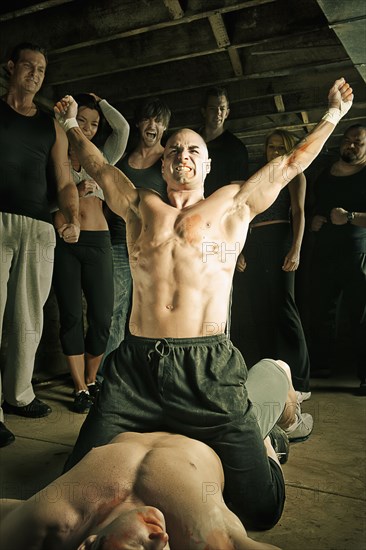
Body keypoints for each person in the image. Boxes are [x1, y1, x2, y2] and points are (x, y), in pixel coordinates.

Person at [54, 77, 353, 530]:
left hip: (209, 368)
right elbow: (98, 167)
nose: (183, 155)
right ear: (163, 162)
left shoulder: (232, 205)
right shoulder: (140, 206)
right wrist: (73, 124)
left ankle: (268, 410)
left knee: (259, 509)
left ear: (208, 163)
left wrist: (332, 114)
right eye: (174, 149)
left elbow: (291, 163)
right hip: (134, 368)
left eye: (193, 150)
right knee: (73, 487)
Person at [0, 432, 283, 550]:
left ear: (89, 545)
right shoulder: (204, 534)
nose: (161, 540)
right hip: (206, 432)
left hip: (123, 420)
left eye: (140, 548)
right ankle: (272, 439)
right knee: (265, 506)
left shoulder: (52, 520)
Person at [0, 42, 80, 448]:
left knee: (29, 317)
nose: (35, 74)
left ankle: (19, 395)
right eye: (28, 66)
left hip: (38, 227)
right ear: (10, 68)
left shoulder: (50, 124)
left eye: (42, 69)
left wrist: (72, 216)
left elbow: (65, 180)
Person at [52, 92, 129, 413]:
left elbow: (123, 129)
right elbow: (46, 200)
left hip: (99, 242)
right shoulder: (55, 154)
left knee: (101, 316)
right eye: (81, 120)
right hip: (66, 243)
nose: (87, 128)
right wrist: (72, 195)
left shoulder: (101, 158)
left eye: (94, 124)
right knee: (71, 316)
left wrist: (103, 102)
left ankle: (93, 378)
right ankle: (80, 387)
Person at [230, 129, 312, 430]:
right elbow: (246, 217)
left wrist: (296, 248)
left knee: (284, 307)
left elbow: (299, 212)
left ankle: (300, 381)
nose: (274, 151)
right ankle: (269, 374)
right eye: (270, 146)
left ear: (288, 149)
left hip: (281, 239)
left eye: (279, 147)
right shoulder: (261, 177)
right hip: (256, 242)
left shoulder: (295, 174)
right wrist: (240, 250)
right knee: (259, 309)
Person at [101, 98, 170, 370]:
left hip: (154, 248)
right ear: (139, 124)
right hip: (120, 244)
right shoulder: (123, 159)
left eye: (159, 121)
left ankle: (153, 373)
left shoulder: (168, 159)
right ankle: (110, 376)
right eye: (148, 120)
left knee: (153, 311)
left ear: (165, 128)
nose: (153, 125)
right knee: (116, 312)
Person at [309, 124, 366, 395]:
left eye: (359, 142)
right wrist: (315, 221)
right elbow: (316, 209)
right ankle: (320, 367)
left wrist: (351, 217)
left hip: (358, 254)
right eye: (348, 141)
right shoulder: (325, 174)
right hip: (324, 253)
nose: (351, 146)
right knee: (321, 311)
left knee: (362, 315)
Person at [200, 86, 249, 195]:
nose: (218, 113)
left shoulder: (236, 148)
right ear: (204, 111)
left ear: (227, 113)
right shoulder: (192, 141)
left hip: (218, 209)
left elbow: (237, 190)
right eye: (213, 108)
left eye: (222, 108)